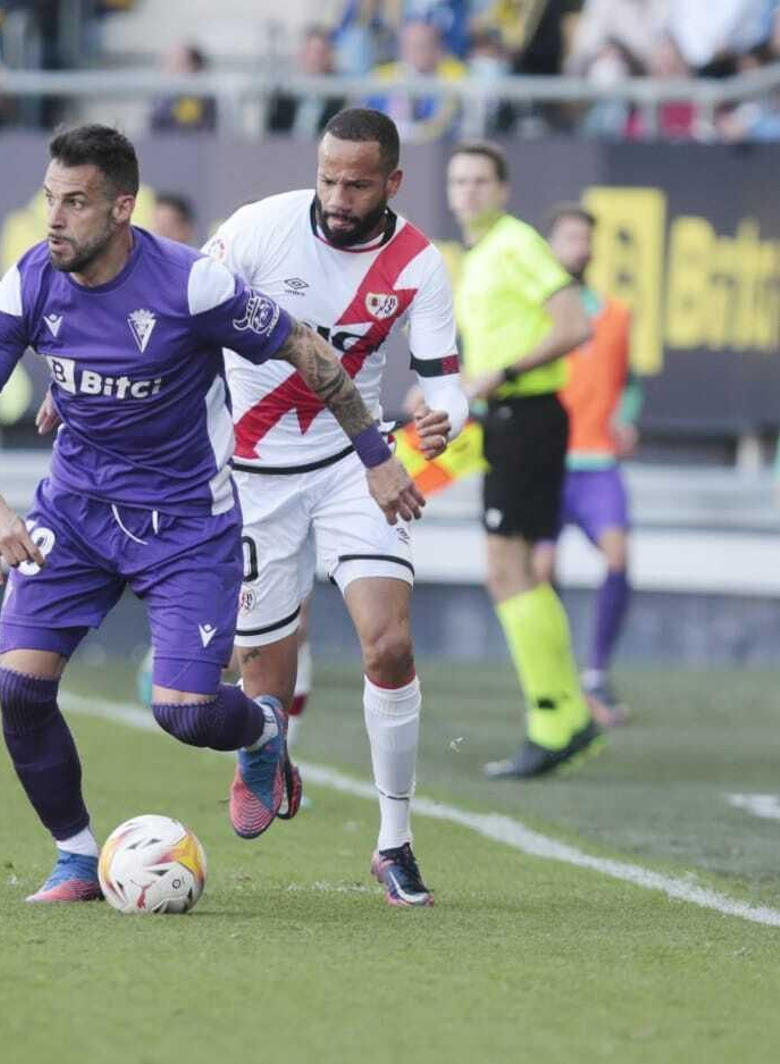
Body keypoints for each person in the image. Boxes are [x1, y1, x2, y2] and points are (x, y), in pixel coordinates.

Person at [0, 124, 423, 903]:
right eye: (48, 201)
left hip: (187, 527)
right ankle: (74, 857)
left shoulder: (192, 285)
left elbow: (310, 352)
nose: (55, 220)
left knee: (187, 714)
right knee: (20, 691)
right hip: (75, 514)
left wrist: (375, 457)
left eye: (75, 203)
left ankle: (264, 733)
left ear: (123, 207)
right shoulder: (29, 281)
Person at [203, 108, 466, 906]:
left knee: (387, 645)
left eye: (357, 183)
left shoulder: (420, 263)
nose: (338, 196)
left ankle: (394, 843)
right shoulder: (257, 230)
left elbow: (445, 381)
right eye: (327, 177)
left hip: (360, 462)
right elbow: (184, 318)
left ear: (392, 182)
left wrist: (440, 417)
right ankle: (265, 742)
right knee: (265, 680)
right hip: (253, 475)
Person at [448, 141, 601, 779]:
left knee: (509, 570)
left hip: (529, 415)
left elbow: (574, 325)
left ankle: (555, 717)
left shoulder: (515, 243)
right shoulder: (482, 255)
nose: (470, 191)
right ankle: (565, 715)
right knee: (512, 571)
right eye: (460, 180)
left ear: (504, 189)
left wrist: (499, 375)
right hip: (509, 419)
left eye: (482, 179)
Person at [532, 204, 639, 728]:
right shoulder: (537, 310)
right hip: (548, 459)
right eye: (570, 237)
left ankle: (596, 671)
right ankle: (558, 677)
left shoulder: (616, 314)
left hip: (597, 462)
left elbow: (632, 380)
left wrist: (628, 417)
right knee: (542, 572)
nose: (579, 246)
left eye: (585, 238)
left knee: (618, 558)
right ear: (552, 246)